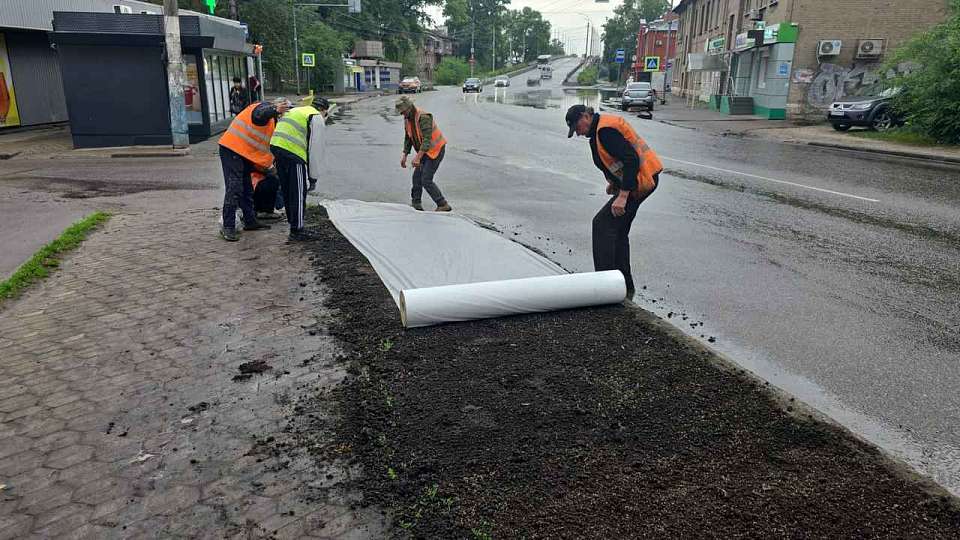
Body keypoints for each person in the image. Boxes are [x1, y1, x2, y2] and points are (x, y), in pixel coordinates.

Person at [565, 104, 663, 296]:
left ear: (585, 116)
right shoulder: (597, 132)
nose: (577, 133)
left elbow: (632, 159)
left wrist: (623, 195)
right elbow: (614, 162)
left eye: (577, 127)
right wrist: (615, 185)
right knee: (617, 231)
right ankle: (623, 286)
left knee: (603, 225)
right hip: (636, 181)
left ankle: (605, 286)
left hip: (642, 181)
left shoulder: (605, 131)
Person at [217, 98, 291, 241]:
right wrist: (275, 109)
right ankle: (228, 226)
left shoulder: (272, 123)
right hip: (232, 150)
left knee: (246, 188)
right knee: (235, 188)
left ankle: (250, 221)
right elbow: (260, 113)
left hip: (244, 154)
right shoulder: (263, 111)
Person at [269, 95, 330, 241]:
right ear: (323, 110)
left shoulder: (299, 110)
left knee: (288, 189)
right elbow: (315, 150)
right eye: (326, 114)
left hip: (277, 148)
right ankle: (297, 229)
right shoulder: (315, 117)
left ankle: (293, 223)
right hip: (292, 153)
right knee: (298, 191)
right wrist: (313, 178)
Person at [396, 96, 451, 212]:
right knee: (416, 177)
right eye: (401, 112)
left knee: (426, 179)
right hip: (425, 151)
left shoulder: (423, 117)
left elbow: (427, 140)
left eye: (403, 111)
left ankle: (443, 204)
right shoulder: (407, 118)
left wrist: (418, 157)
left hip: (435, 150)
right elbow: (408, 137)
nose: (402, 114)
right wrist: (405, 155)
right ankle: (416, 204)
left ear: (409, 108)